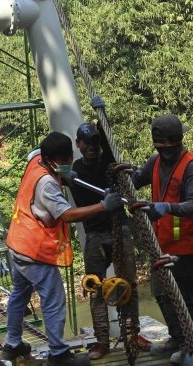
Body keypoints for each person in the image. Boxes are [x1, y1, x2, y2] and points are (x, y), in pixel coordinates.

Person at [2, 131, 124, 366]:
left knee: (19, 294)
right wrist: (102, 205)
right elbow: (66, 214)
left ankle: (12, 343)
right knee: (54, 300)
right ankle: (58, 354)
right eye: (66, 161)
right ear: (58, 159)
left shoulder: (37, 159)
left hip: (16, 241)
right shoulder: (46, 183)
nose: (69, 163)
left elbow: (37, 155)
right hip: (34, 249)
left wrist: (65, 176)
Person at [122, 114, 193, 363]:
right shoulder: (155, 162)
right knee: (161, 292)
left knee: (185, 294)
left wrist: (167, 208)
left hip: (186, 244)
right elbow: (135, 181)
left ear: (179, 142)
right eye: (158, 147)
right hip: (161, 242)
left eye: (166, 147)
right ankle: (177, 338)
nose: (163, 152)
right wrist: (120, 179)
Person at [65, 121, 139, 360]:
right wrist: (65, 177)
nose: (91, 147)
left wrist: (102, 118)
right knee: (95, 287)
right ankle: (101, 341)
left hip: (119, 229)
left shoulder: (110, 164)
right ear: (78, 144)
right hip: (95, 234)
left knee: (128, 285)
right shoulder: (76, 170)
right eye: (86, 142)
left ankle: (132, 335)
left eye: (95, 142)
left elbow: (108, 143)